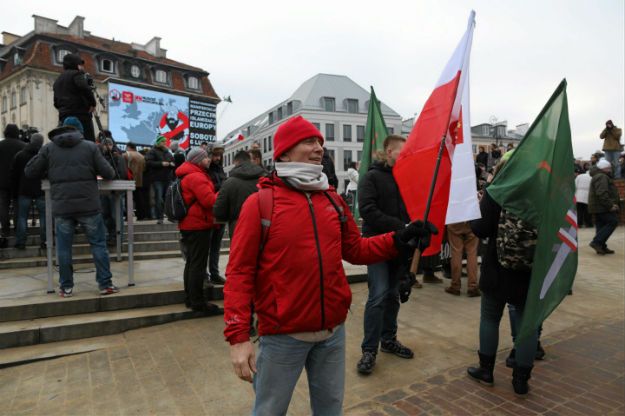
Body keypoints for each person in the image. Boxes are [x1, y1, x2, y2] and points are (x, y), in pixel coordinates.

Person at [224, 116, 434, 415]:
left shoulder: (332, 199)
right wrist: (238, 337)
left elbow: (356, 249)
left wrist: (400, 237)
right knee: (269, 410)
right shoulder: (260, 203)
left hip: (333, 332)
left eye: (320, 143)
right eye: (309, 142)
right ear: (283, 152)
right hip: (283, 336)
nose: (318, 148)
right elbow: (239, 272)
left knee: (330, 410)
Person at [467, 159, 539, 396]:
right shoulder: (541, 192)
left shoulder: (497, 191)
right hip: (529, 270)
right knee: (525, 325)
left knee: (489, 317)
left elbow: (480, 229)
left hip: (497, 268)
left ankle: (486, 371)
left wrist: (476, 209)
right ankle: (521, 380)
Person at [25, 125, 119, 297]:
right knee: (98, 245)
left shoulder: (49, 148)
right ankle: (105, 284)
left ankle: (66, 287)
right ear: (78, 132)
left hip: (62, 206)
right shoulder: (91, 147)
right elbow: (109, 173)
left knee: (63, 248)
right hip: (89, 205)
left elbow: (30, 171)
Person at [356, 134, 421, 375]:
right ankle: (369, 349)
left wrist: (415, 231)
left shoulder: (406, 178)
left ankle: (389, 340)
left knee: (393, 295)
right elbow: (368, 211)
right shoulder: (371, 177)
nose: (405, 156)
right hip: (377, 246)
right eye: (402, 152)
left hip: (400, 247)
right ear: (389, 151)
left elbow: (413, 209)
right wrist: (401, 227)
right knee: (378, 295)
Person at [176, 147, 222, 313]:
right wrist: (221, 193)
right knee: (198, 265)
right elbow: (209, 201)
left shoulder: (187, 175)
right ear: (197, 160)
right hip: (198, 225)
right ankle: (198, 302)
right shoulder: (196, 177)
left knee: (191, 263)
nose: (209, 159)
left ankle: (190, 298)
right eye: (205, 158)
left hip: (189, 224)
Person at [213, 150, 266, 237]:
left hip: (238, 228)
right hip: (263, 227)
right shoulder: (265, 178)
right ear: (249, 160)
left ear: (236, 162)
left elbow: (218, 211)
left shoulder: (229, 182)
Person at [9, 133, 46, 250]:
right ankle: (45, 240)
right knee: (44, 216)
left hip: (24, 189)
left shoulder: (20, 155)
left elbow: (14, 175)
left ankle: (21, 241)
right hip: (41, 189)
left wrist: (14, 192)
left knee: (22, 216)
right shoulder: (44, 156)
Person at [53, 53, 97, 141]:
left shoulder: (58, 80)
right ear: (76, 64)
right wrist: (92, 103)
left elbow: (56, 103)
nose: (82, 67)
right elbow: (85, 88)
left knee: (66, 140)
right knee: (87, 141)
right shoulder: (77, 74)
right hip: (80, 115)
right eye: (80, 64)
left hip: (63, 116)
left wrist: (64, 109)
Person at [0, 124, 26, 248]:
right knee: (17, 207)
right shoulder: (23, 146)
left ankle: (5, 230)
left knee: (3, 206)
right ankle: (17, 230)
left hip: (2, 181)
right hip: (18, 182)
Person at [588, 159, 620, 255]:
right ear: (604, 168)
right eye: (609, 168)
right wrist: (610, 205)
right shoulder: (602, 177)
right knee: (613, 221)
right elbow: (602, 193)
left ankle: (601, 246)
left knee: (601, 226)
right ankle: (597, 242)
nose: (610, 169)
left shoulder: (599, 176)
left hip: (599, 206)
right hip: (602, 206)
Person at [100, 137, 128, 244]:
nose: (107, 146)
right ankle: (111, 235)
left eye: (109, 144)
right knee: (106, 214)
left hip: (115, 190)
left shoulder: (117, 157)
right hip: (104, 190)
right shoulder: (102, 157)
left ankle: (118, 237)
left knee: (115, 214)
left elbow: (121, 173)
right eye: (105, 144)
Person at [207, 144, 227, 285]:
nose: (217, 158)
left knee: (216, 246)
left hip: (220, 211)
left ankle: (214, 273)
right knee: (206, 246)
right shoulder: (205, 170)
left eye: (219, 155)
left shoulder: (220, 169)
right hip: (209, 212)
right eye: (215, 155)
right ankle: (204, 274)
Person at [445, 222, 480, 297]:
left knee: (456, 252)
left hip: (455, 220)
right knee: (472, 253)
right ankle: (473, 287)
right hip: (472, 220)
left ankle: (455, 286)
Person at [145, 135, 175, 224]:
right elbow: (148, 162)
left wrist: (172, 164)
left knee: (169, 198)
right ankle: (160, 217)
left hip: (167, 178)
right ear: (158, 142)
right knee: (159, 199)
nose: (164, 143)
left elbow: (173, 161)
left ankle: (170, 216)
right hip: (157, 179)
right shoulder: (152, 151)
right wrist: (161, 163)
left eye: (165, 142)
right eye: (163, 141)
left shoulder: (167, 152)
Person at [124, 142, 148, 220]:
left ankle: (128, 216)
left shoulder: (126, 155)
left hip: (129, 180)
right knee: (139, 199)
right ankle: (141, 215)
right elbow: (144, 168)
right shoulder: (141, 156)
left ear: (128, 147)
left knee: (128, 199)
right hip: (139, 180)